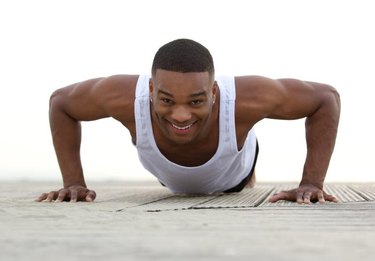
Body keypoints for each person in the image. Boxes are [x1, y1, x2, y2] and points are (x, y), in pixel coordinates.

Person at [36, 39, 340, 204]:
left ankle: (246, 162)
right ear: (152, 91)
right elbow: (61, 103)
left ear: (214, 91)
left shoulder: (248, 98)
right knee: (176, 154)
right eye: (167, 100)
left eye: (196, 101)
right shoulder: (122, 96)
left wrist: (312, 182)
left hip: (234, 169)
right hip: (166, 171)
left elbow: (325, 98)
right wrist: (73, 183)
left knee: (240, 182)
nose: (181, 114)